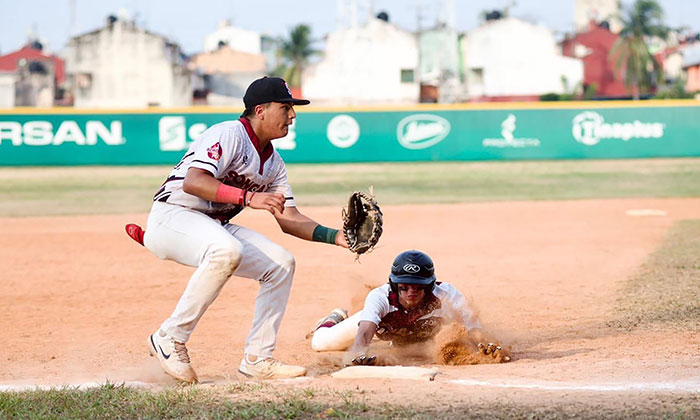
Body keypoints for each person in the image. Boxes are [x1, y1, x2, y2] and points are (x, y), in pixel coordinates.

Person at [125, 76, 348, 383]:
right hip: (172, 216)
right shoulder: (228, 134)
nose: (292, 116)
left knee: (281, 264)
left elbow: (289, 217)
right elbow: (194, 182)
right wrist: (248, 197)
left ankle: (257, 358)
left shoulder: (274, 163)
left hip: (210, 225)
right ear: (260, 110)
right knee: (227, 249)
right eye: (286, 108)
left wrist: (335, 236)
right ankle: (170, 337)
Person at [309, 250, 509, 365]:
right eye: (404, 286)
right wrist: (360, 354)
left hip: (414, 337)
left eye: (417, 286)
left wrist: (482, 342)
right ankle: (336, 316)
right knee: (322, 344)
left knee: (418, 349)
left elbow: (473, 327)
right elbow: (364, 334)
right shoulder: (380, 297)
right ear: (395, 285)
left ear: (430, 285)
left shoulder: (446, 295)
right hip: (380, 327)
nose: (411, 291)